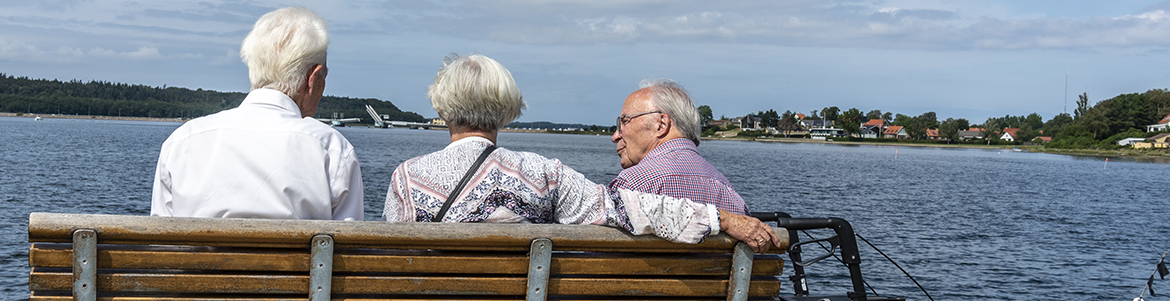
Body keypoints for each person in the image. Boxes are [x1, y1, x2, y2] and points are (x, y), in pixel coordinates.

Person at [383, 54, 779, 252]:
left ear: (441, 110)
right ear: (507, 109)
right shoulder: (545, 174)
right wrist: (722, 218)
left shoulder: (406, 178)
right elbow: (632, 210)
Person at [151, 7, 363, 220]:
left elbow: (158, 235)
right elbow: (348, 239)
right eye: (325, 75)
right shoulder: (332, 149)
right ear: (313, 78)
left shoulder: (180, 142)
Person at [609, 79, 749, 215]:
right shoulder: (730, 194)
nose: (615, 136)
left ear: (661, 124)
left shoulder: (632, 185)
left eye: (625, 122)